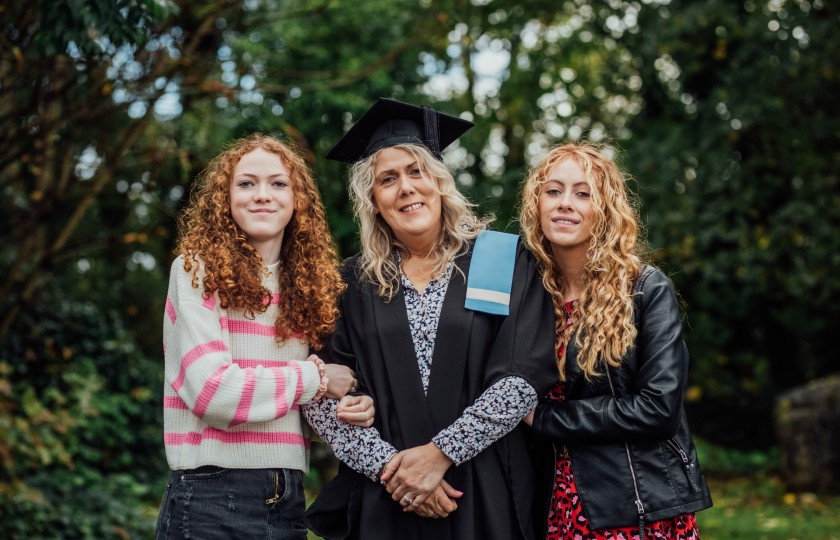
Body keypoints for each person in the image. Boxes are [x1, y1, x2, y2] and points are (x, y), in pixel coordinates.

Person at [301, 98, 558, 540]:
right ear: (373, 201)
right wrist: (393, 471)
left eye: (416, 171)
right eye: (388, 179)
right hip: (386, 498)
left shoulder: (499, 257)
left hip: (485, 488)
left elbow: (522, 379)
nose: (406, 188)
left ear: (440, 182)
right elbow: (319, 394)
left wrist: (440, 455)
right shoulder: (348, 283)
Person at [156, 134, 374, 540]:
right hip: (210, 495)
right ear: (225, 197)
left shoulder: (310, 286)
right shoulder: (196, 271)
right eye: (246, 183)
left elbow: (310, 399)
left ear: (298, 200)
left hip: (288, 495)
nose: (262, 195)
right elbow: (214, 394)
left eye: (278, 183)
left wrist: (352, 405)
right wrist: (318, 379)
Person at [519, 142, 713, 539]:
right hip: (550, 501)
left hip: (634, 502)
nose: (564, 203)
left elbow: (658, 408)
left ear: (605, 210)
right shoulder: (526, 292)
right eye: (553, 191)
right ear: (536, 205)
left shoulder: (643, 288)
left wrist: (544, 419)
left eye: (583, 193)